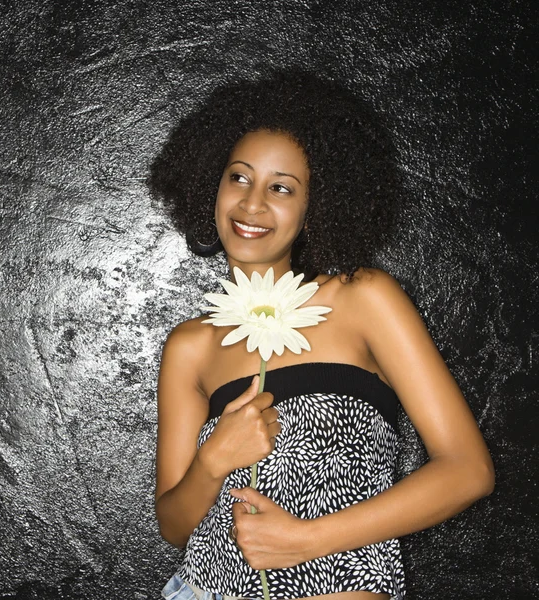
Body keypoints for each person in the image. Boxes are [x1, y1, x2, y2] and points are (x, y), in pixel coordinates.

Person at [149, 71, 494, 600]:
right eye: (239, 177)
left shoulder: (362, 298)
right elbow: (174, 526)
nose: (252, 203)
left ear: (316, 207)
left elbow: (468, 471)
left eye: (281, 187)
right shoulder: (190, 346)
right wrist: (210, 461)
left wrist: (307, 541)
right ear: (210, 185)